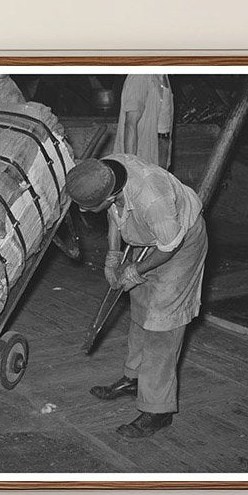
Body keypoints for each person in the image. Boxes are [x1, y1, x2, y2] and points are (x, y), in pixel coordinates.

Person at [64, 155, 207, 439]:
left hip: (179, 244)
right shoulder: (104, 171)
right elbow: (115, 214)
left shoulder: (153, 199)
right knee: (141, 309)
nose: (83, 210)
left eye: (88, 207)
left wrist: (134, 270)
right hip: (148, 238)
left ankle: (158, 410)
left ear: (111, 194)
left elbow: (168, 247)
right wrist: (113, 256)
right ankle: (134, 379)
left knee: (161, 325)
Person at [114, 73, 174, 169]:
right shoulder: (140, 75)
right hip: (143, 151)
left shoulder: (163, 76)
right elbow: (130, 124)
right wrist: (131, 166)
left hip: (161, 147)